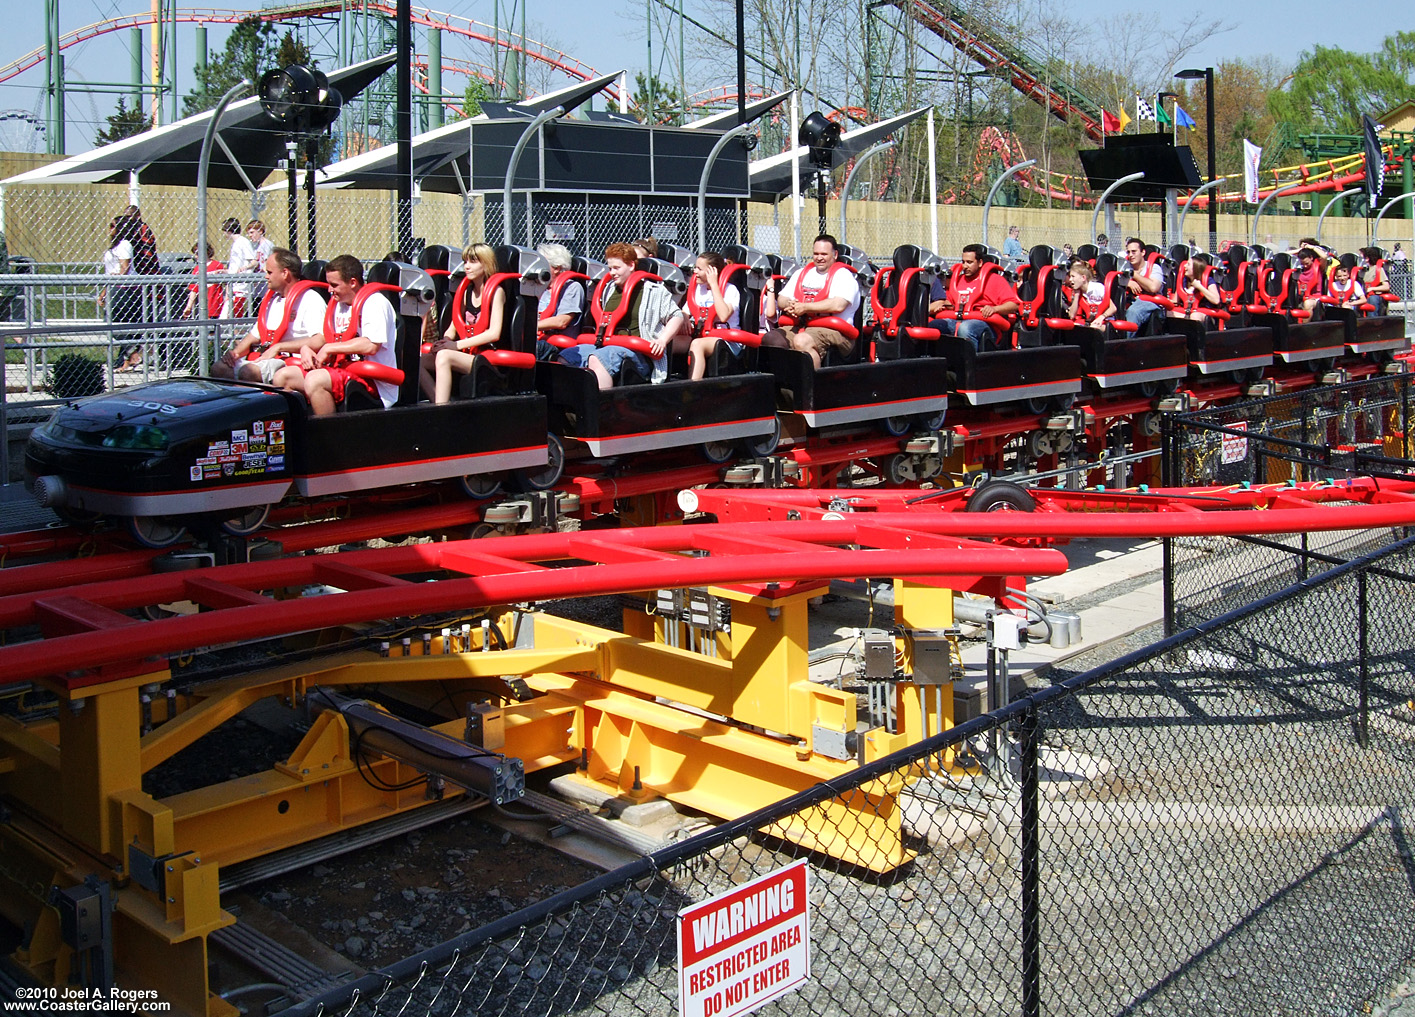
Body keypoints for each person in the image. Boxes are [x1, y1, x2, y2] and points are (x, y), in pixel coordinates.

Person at [562, 242, 683, 390]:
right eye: (610, 268)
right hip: (608, 345)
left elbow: (676, 316)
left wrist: (662, 340)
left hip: (638, 353)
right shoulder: (608, 289)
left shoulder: (653, 290)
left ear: (631, 265)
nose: (612, 272)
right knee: (567, 356)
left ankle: (603, 408)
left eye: (617, 268)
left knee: (598, 359)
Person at [212, 247, 327, 387]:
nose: (266, 276)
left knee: (248, 372)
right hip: (268, 357)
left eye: (270, 272)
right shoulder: (273, 299)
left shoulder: (310, 299)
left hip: (291, 360)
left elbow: (320, 339)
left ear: (285, 273)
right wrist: (235, 353)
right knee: (219, 369)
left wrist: (279, 347)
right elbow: (256, 334)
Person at [303, 254, 400, 415]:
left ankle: (329, 437)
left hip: (374, 383)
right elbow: (325, 337)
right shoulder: (337, 305)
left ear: (353, 282)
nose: (329, 290)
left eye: (334, 285)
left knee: (315, 380)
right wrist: (306, 348)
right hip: (342, 369)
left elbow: (371, 345)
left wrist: (328, 349)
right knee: (285, 376)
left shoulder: (375, 302)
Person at [761, 234, 862, 368]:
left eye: (824, 254)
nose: (819, 258)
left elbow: (838, 305)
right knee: (771, 338)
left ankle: (813, 386)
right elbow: (782, 299)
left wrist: (805, 307)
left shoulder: (844, 276)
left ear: (835, 254)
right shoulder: (802, 273)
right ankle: (784, 384)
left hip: (836, 332)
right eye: (816, 254)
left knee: (802, 341)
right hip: (803, 326)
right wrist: (790, 304)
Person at [424, 243, 506, 402]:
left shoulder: (497, 292)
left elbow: (494, 333)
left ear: (486, 264)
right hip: (466, 353)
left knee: (444, 357)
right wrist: (445, 341)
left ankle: (441, 410)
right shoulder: (465, 292)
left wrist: (455, 346)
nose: (467, 266)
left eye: (473, 262)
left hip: (487, 359)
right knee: (420, 361)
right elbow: (454, 327)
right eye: (465, 262)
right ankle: (437, 401)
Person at [925, 242, 1018, 349]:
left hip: (984, 323)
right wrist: (943, 306)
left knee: (966, 328)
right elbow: (949, 302)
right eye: (963, 262)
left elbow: (1014, 305)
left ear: (980, 262)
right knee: (935, 326)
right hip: (957, 320)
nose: (965, 266)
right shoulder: (958, 280)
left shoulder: (995, 280)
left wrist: (994, 309)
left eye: (969, 262)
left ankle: (969, 363)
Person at [685, 251, 742, 380]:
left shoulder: (730, 290)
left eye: (699, 269)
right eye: (695, 267)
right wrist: (684, 319)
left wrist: (714, 285)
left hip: (728, 341)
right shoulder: (698, 289)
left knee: (697, 344)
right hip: (702, 334)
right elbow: (685, 311)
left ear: (712, 271)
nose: (695, 272)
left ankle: (692, 388)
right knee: (671, 342)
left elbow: (723, 316)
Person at [100, 216, 143, 372]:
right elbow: (110, 271)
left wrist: (115, 282)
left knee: (120, 325)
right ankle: (132, 354)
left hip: (125, 289)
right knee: (115, 326)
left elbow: (125, 267)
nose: (110, 229)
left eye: (112, 226)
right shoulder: (116, 245)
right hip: (114, 287)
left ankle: (131, 356)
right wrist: (104, 292)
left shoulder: (125, 244)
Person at [535, 243, 585, 361]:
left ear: (556, 268)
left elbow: (562, 321)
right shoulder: (539, 288)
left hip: (556, 345)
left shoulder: (572, 287)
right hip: (538, 338)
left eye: (543, 264)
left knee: (527, 348)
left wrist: (530, 326)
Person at [1121, 237, 1165, 329]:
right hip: (1129, 300)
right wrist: (1128, 282)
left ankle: (1127, 342)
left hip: (1150, 302)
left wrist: (1135, 275)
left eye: (1134, 252)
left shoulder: (1154, 267)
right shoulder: (1124, 267)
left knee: (1134, 312)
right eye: (1128, 252)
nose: (1130, 255)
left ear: (1143, 252)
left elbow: (1153, 287)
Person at [221, 217, 258, 319]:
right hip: (234, 284)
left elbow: (254, 261)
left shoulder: (243, 242)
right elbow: (236, 266)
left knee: (231, 316)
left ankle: (237, 333)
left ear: (228, 230)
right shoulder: (236, 243)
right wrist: (225, 271)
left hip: (241, 286)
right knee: (229, 316)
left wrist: (245, 268)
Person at [181, 242, 225, 320]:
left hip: (216, 303)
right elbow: (194, 290)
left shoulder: (217, 265)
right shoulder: (197, 269)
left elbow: (226, 283)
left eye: (198, 254)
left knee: (216, 329)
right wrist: (189, 307)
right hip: (203, 306)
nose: (196, 256)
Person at [1067, 260, 1113, 327]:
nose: (1070, 279)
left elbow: (1113, 308)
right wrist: (1076, 296)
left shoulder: (1097, 287)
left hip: (1105, 320)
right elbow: (1071, 316)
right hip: (1091, 321)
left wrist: (1102, 317)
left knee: (1094, 327)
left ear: (1083, 278)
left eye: (1073, 276)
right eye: (1070, 277)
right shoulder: (1078, 292)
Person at [1178, 253, 1221, 321]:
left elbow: (1216, 300)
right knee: (1169, 313)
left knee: (1194, 316)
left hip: (1204, 314)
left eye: (1188, 264)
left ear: (1195, 268)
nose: (1185, 266)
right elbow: (1175, 301)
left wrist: (1200, 287)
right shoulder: (1184, 281)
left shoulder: (1208, 281)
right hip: (1186, 312)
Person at [247, 220, 274, 303]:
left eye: (252, 232)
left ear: (260, 231)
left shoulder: (267, 245)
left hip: (264, 287)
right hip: (257, 287)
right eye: (249, 233)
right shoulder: (257, 246)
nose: (250, 235)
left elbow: (267, 264)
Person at [1359, 247, 1391, 314]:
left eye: (1361, 258)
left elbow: (1386, 286)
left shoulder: (1378, 270)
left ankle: (1372, 322)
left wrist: (1372, 289)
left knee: (1372, 299)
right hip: (1362, 296)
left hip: (1374, 296)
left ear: (1367, 259)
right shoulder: (1359, 272)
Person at [1295, 247, 1324, 312]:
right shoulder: (1300, 270)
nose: (1305, 266)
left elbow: (1324, 257)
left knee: (1307, 304)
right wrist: (1299, 250)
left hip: (1315, 297)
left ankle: (1304, 322)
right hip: (1300, 296)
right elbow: (1282, 255)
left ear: (1311, 258)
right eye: (1302, 264)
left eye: (1307, 263)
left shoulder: (1318, 267)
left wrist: (1312, 247)